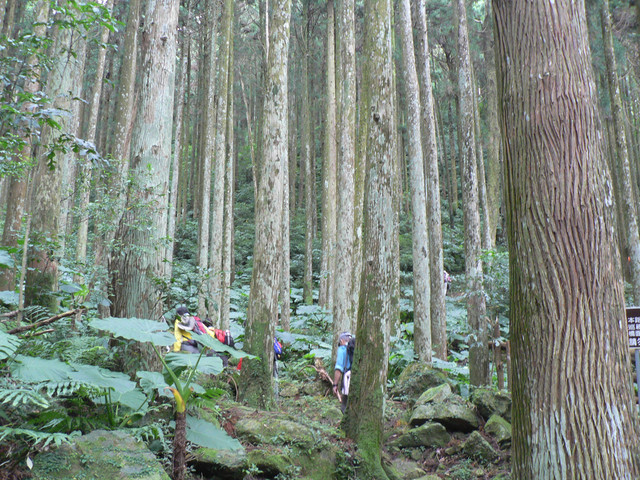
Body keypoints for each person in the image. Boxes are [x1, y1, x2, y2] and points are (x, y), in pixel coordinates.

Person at [332, 332, 353, 413]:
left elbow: (339, 368)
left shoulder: (342, 349)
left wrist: (335, 384)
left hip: (347, 378)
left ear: (341, 341)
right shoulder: (357, 347)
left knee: (345, 405)